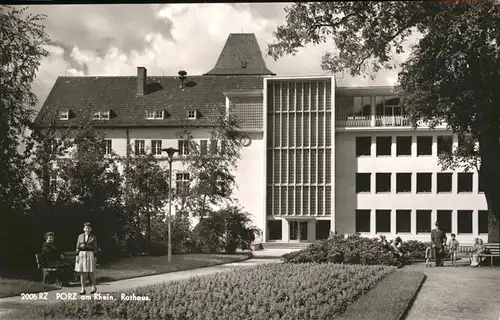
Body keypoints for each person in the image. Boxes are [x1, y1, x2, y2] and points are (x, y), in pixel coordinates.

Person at [75, 222, 98, 295]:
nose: (87, 229)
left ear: (91, 229)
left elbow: (95, 248)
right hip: (81, 254)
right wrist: (77, 256)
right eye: (86, 228)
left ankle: (93, 287)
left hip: (90, 254)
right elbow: (77, 247)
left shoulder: (93, 237)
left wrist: (95, 258)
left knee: (91, 272)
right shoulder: (80, 236)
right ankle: (83, 289)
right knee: (82, 273)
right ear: (83, 229)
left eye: (88, 228)